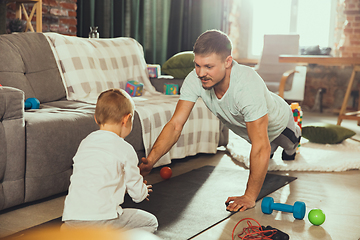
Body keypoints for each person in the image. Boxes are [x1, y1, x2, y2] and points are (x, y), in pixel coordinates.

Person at [139, 30, 301, 212]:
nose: (201, 73)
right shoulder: (195, 79)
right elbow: (176, 125)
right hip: (254, 129)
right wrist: (151, 160)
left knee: (286, 147)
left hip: (279, 122)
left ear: (228, 62)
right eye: (197, 65)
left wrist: (249, 196)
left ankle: (296, 137)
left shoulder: (246, 85)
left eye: (209, 67)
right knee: (264, 149)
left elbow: (261, 146)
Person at [62, 88, 158, 233]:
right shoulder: (125, 148)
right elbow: (137, 195)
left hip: (71, 218)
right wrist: (143, 191)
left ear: (96, 118)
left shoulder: (85, 143)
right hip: (103, 219)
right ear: (126, 120)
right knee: (151, 223)